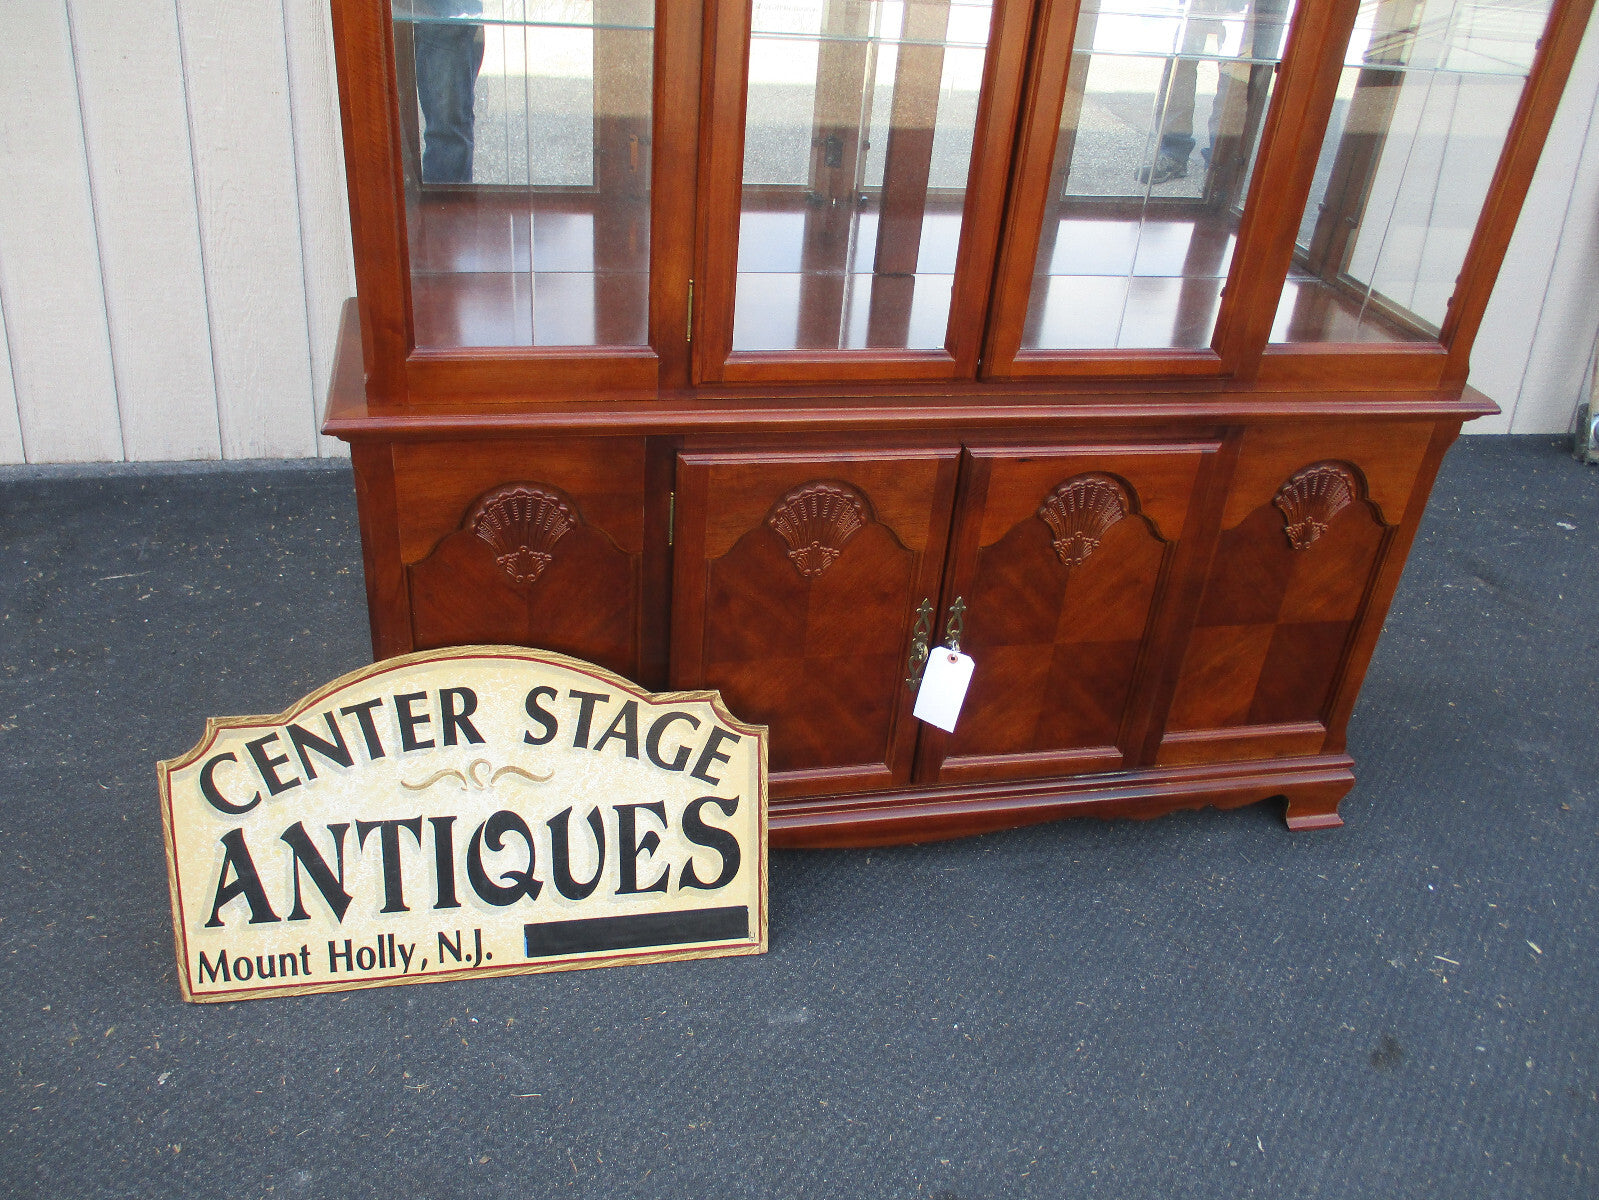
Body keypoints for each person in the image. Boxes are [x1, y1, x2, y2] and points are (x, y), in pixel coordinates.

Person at [398, 0, 486, 184]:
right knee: (378, 127)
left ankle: (447, 209)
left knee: (448, 134)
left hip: (447, 17)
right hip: (385, 14)